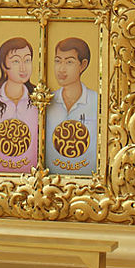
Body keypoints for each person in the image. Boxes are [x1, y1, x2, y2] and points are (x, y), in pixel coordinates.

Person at [45, 37, 98, 175]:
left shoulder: (97, 102)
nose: (61, 69)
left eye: (69, 62)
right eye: (57, 61)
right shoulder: (46, 101)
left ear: (83, 65)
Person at [0, 37, 37, 173]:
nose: (23, 67)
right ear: (3, 65)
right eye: (16, 61)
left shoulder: (39, 101)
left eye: (27, 60)